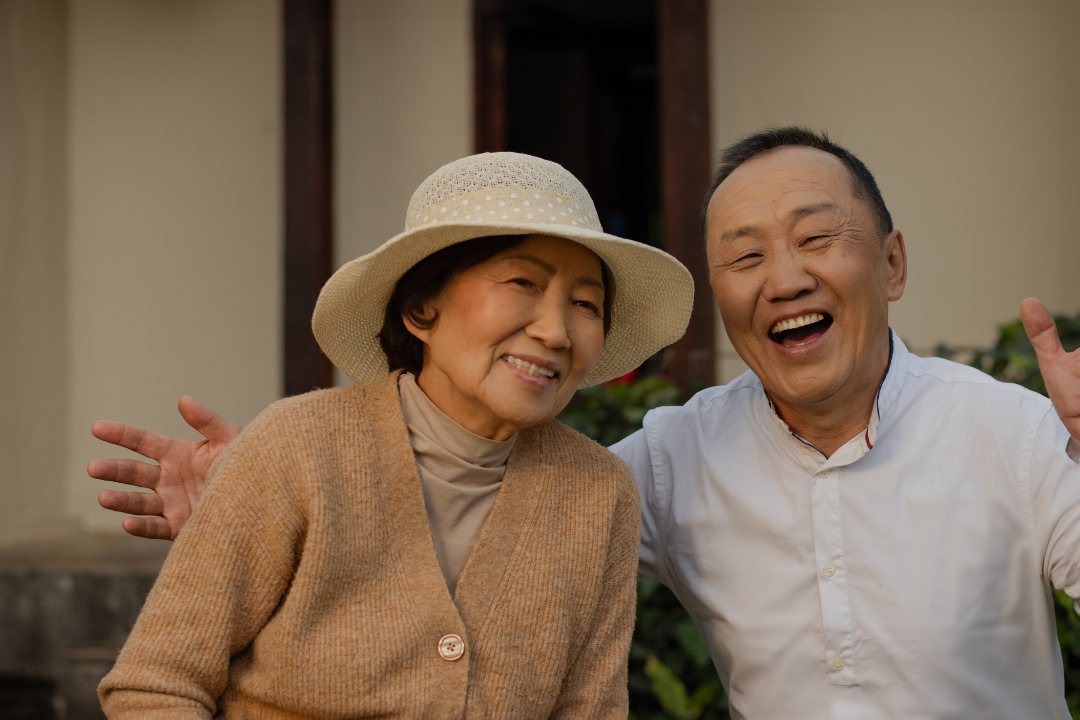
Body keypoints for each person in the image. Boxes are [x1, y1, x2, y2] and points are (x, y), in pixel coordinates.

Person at [94, 129, 1080, 719]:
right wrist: (267, 493)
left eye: (818, 238)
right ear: (420, 306)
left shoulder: (1018, 432)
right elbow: (159, 682)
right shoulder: (664, 460)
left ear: (892, 263)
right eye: (745, 257)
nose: (785, 278)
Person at [93, 152, 695, 718]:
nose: (556, 331)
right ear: (421, 309)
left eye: (586, 304)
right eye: (522, 283)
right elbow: (156, 685)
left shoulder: (599, 492)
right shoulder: (296, 446)